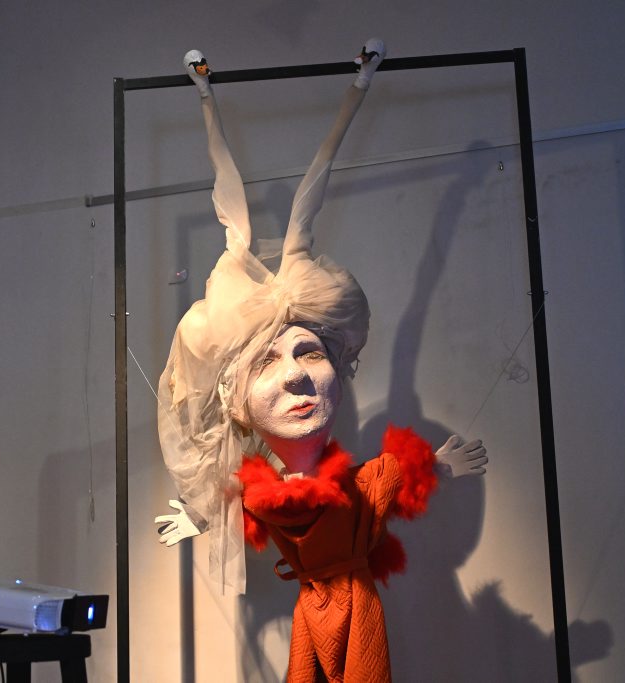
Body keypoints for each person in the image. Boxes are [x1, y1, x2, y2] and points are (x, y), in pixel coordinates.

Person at [153, 39, 488, 681]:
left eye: (309, 352)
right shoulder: (261, 492)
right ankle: (205, 90)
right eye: (268, 365)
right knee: (236, 232)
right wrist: (200, 513)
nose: (298, 376)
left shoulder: (348, 488)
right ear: (234, 402)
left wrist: (359, 87)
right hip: (315, 609)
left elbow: (316, 186)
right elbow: (231, 206)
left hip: (354, 608)